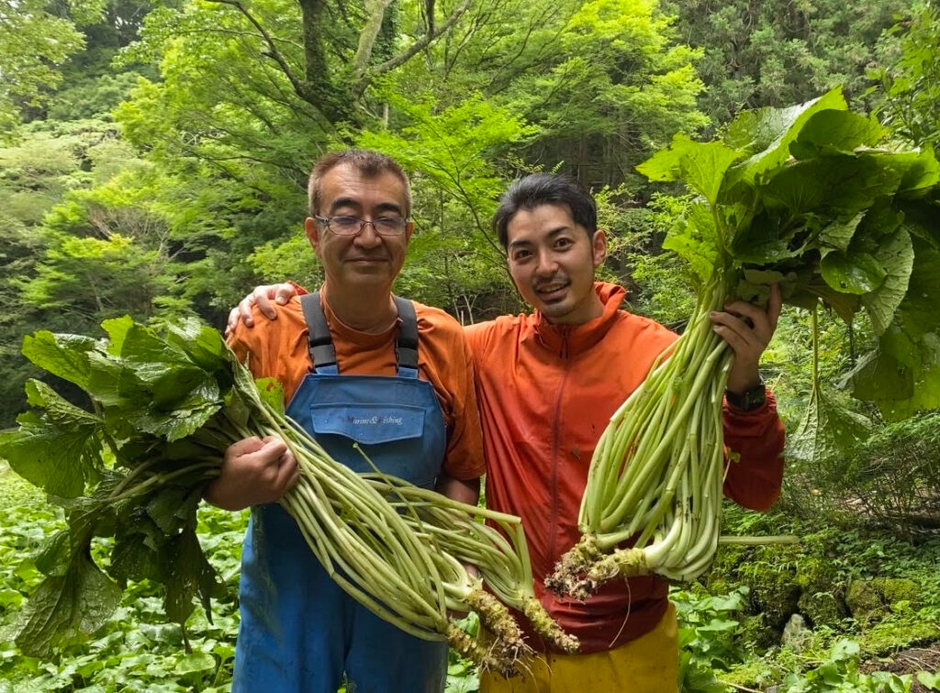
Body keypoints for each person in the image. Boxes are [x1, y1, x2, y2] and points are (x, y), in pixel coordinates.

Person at [229, 172, 785, 692]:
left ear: (599, 247)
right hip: (512, 646)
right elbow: (371, 332)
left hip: (625, 645)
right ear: (511, 267)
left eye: (561, 243)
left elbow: (754, 490)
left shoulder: (666, 360)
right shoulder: (480, 348)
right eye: (524, 253)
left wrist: (745, 387)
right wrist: (284, 303)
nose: (545, 266)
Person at [205, 149, 485, 693]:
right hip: (289, 595)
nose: (368, 235)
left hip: (409, 587)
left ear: (408, 232)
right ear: (314, 232)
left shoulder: (442, 337)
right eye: (347, 216)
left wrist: (455, 560)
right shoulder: (262, 333)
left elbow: (460, 472)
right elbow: (205, 468)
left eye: (386, 218)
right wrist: (226, 488)